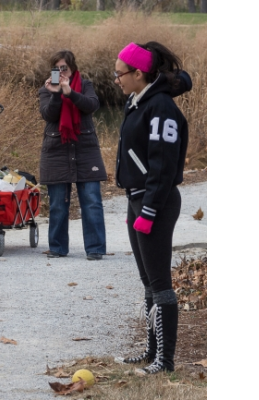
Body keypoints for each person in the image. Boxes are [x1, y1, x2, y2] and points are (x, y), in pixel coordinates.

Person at [110, 41, 193, 375]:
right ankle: (151, 352)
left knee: (161, 283)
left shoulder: (161, 107)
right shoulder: (137, 100)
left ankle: (165, 361)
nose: (116, 79)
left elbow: (162, 164)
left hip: (154, 201)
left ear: (138, 73)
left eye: (120, 74)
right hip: (137, 197)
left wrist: (150, 211)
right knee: (148, 282)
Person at [37, 50, 108, 260]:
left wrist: (70, 92)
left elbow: (91, 105)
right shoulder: (46, 89)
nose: (61, 72)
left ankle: (95, 248)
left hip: (85, 149)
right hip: (56, 150)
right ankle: (57, 247)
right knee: (58, 203)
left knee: (92, 200)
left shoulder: (85, 85)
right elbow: (48, 114)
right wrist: (57, 93)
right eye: (56, 69)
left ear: (73, 67)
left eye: (64, 68)